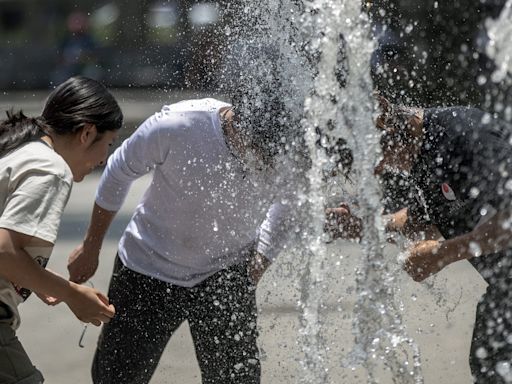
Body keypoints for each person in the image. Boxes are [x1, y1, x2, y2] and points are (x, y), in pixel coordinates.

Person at [67, 96, 302, 384]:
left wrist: (261, 257)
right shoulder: (179, 124)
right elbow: (119, 169)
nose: (260, 164)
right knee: (116, 377)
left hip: (225, 273)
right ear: (237, 124)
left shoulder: (288, 143)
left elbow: (292, 201)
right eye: (255, 152)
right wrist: (91, 246)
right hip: (146, 266)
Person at [327, 95, 512, 383]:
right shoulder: (422, 155)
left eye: (378, 156)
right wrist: (367, 226)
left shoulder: (468, 135)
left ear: (389, 121)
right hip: (505, 288)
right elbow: (426, 220)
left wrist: (442, 254)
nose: (379, 168)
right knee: (488, 362)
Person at [0, 76, 121, 383]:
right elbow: (3, 249)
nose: (104, 158)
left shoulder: (22, 149)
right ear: (87, 133)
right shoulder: (51, 169)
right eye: (107, 143)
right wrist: (72, 295)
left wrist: (42, 282)